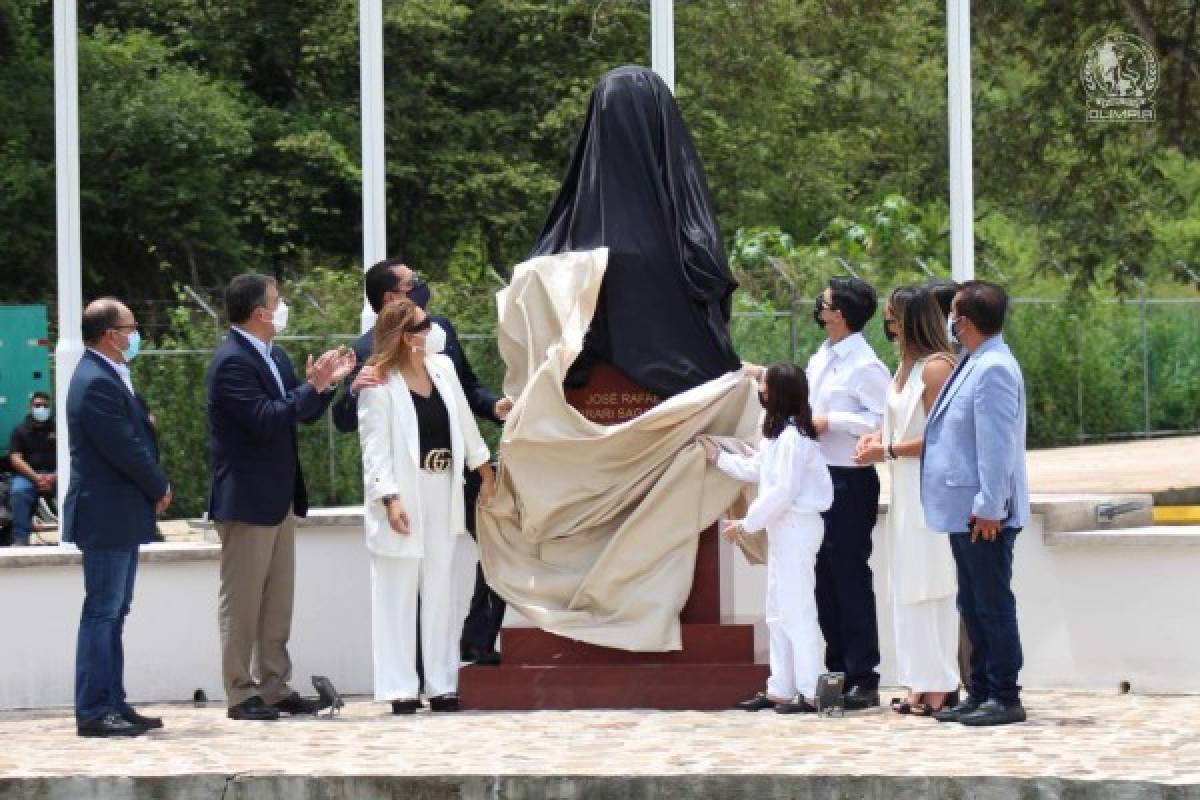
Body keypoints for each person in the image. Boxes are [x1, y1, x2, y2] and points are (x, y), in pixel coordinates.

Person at [333, 256, 511, 666]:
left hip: (458, 470)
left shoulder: (441, 331)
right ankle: (417, 665)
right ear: (391, 297)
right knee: (414, 571)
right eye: (413, 283)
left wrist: (496, 408)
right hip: (412, 481)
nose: (422, 287)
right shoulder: (367, 350)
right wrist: (355, 389)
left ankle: (477, 636)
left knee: (501, 545)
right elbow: (346, 420)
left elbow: (467, 389)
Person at [528, 65, 741, 398]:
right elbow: (716, 311)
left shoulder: (562, 241)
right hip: (685, 411)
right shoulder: (692, 236)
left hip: (588, 419)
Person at [206, 273, 355, 721]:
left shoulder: (276, 355)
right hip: (247, 500)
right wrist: (310, 389)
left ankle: (274, 685)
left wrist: (322, 386)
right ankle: (240, 692)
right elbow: (266, 417)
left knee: (277, 602)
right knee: (243, 601)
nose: (283, 307)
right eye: (277, 301)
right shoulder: (232, 362)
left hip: (279, 497)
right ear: (259, 313)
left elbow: (299, 412)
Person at [357, 299, 494, 714]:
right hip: (403, 493)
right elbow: (374, 449)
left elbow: (465, 423)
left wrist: (484, 469)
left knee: (440, 587)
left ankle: (442, 683)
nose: (432, 328)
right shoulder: (379, 382)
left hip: (444, 485)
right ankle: (400, 687)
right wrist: (390, 498)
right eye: (423, 324)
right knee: (397, 589)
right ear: (405, 336)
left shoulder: (443, 369)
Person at [922, 280, 1030, 727]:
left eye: (952, 313)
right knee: (973, 603)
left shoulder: (994, 369)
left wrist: (990, 506)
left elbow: (997, 447)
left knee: (991, 604)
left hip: (983, 514)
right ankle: (980, 689)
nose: (949, 320)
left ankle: (1004, 694)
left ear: (963, 320)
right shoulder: (973, 362)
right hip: (965, 512)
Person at [63, 298, 171, 737]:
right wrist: (158, 484)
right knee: (103, 612)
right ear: (110, 334)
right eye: (130, 327)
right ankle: (93, 709)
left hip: (119, 513)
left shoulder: (110, 375)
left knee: (115, 611)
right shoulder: (95, 382)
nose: (135, 334)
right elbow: (123, 446)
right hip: (105, 514)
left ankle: (113, 700)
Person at [701, 364, 832, 714]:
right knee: (777, 610)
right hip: (783, 528)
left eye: (765, 385)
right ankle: (782, 688)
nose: (760, 390)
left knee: (796, 609)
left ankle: (810, 689)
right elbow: (759, 470)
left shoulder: (793, 438)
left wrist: (746, 524)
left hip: (796, 526)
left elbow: (783, 491)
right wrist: (720, 459)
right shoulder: (780, 435)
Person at [855, 287, 960, 716]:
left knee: (931, 582)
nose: (889, 327)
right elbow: (896, 423)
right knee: (905, 583)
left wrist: (891, 450)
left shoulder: (936, 369)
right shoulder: (904, 367)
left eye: (893, 318)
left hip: (927, 488)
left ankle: (941, 683)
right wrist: (877, 438)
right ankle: (919, 680)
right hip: (901, 488)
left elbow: (941, 436)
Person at [806, 276, 891, 710]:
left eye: (823, 302)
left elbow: (883, 421)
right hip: (818, 475)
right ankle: (835, 666)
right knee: (822, 575)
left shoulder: (865, 365)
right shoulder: (823, 355)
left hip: (849, 478)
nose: (817, 307)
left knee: (849, 574)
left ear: (839, 313)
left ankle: (863, 674)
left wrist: (833, 420)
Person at [7, 392, 57, 546]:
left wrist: (55, 476)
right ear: (30, 407)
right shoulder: (19, 430)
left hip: (55, 476)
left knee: (72, 491)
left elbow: (70, 454)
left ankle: (71, 536)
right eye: (37, 405)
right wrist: (37, 478)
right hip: (29, 476)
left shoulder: (59, 428)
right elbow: (15, 458)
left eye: (45, 405)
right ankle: (21, 538)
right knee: (18, 492)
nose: (41, 408)